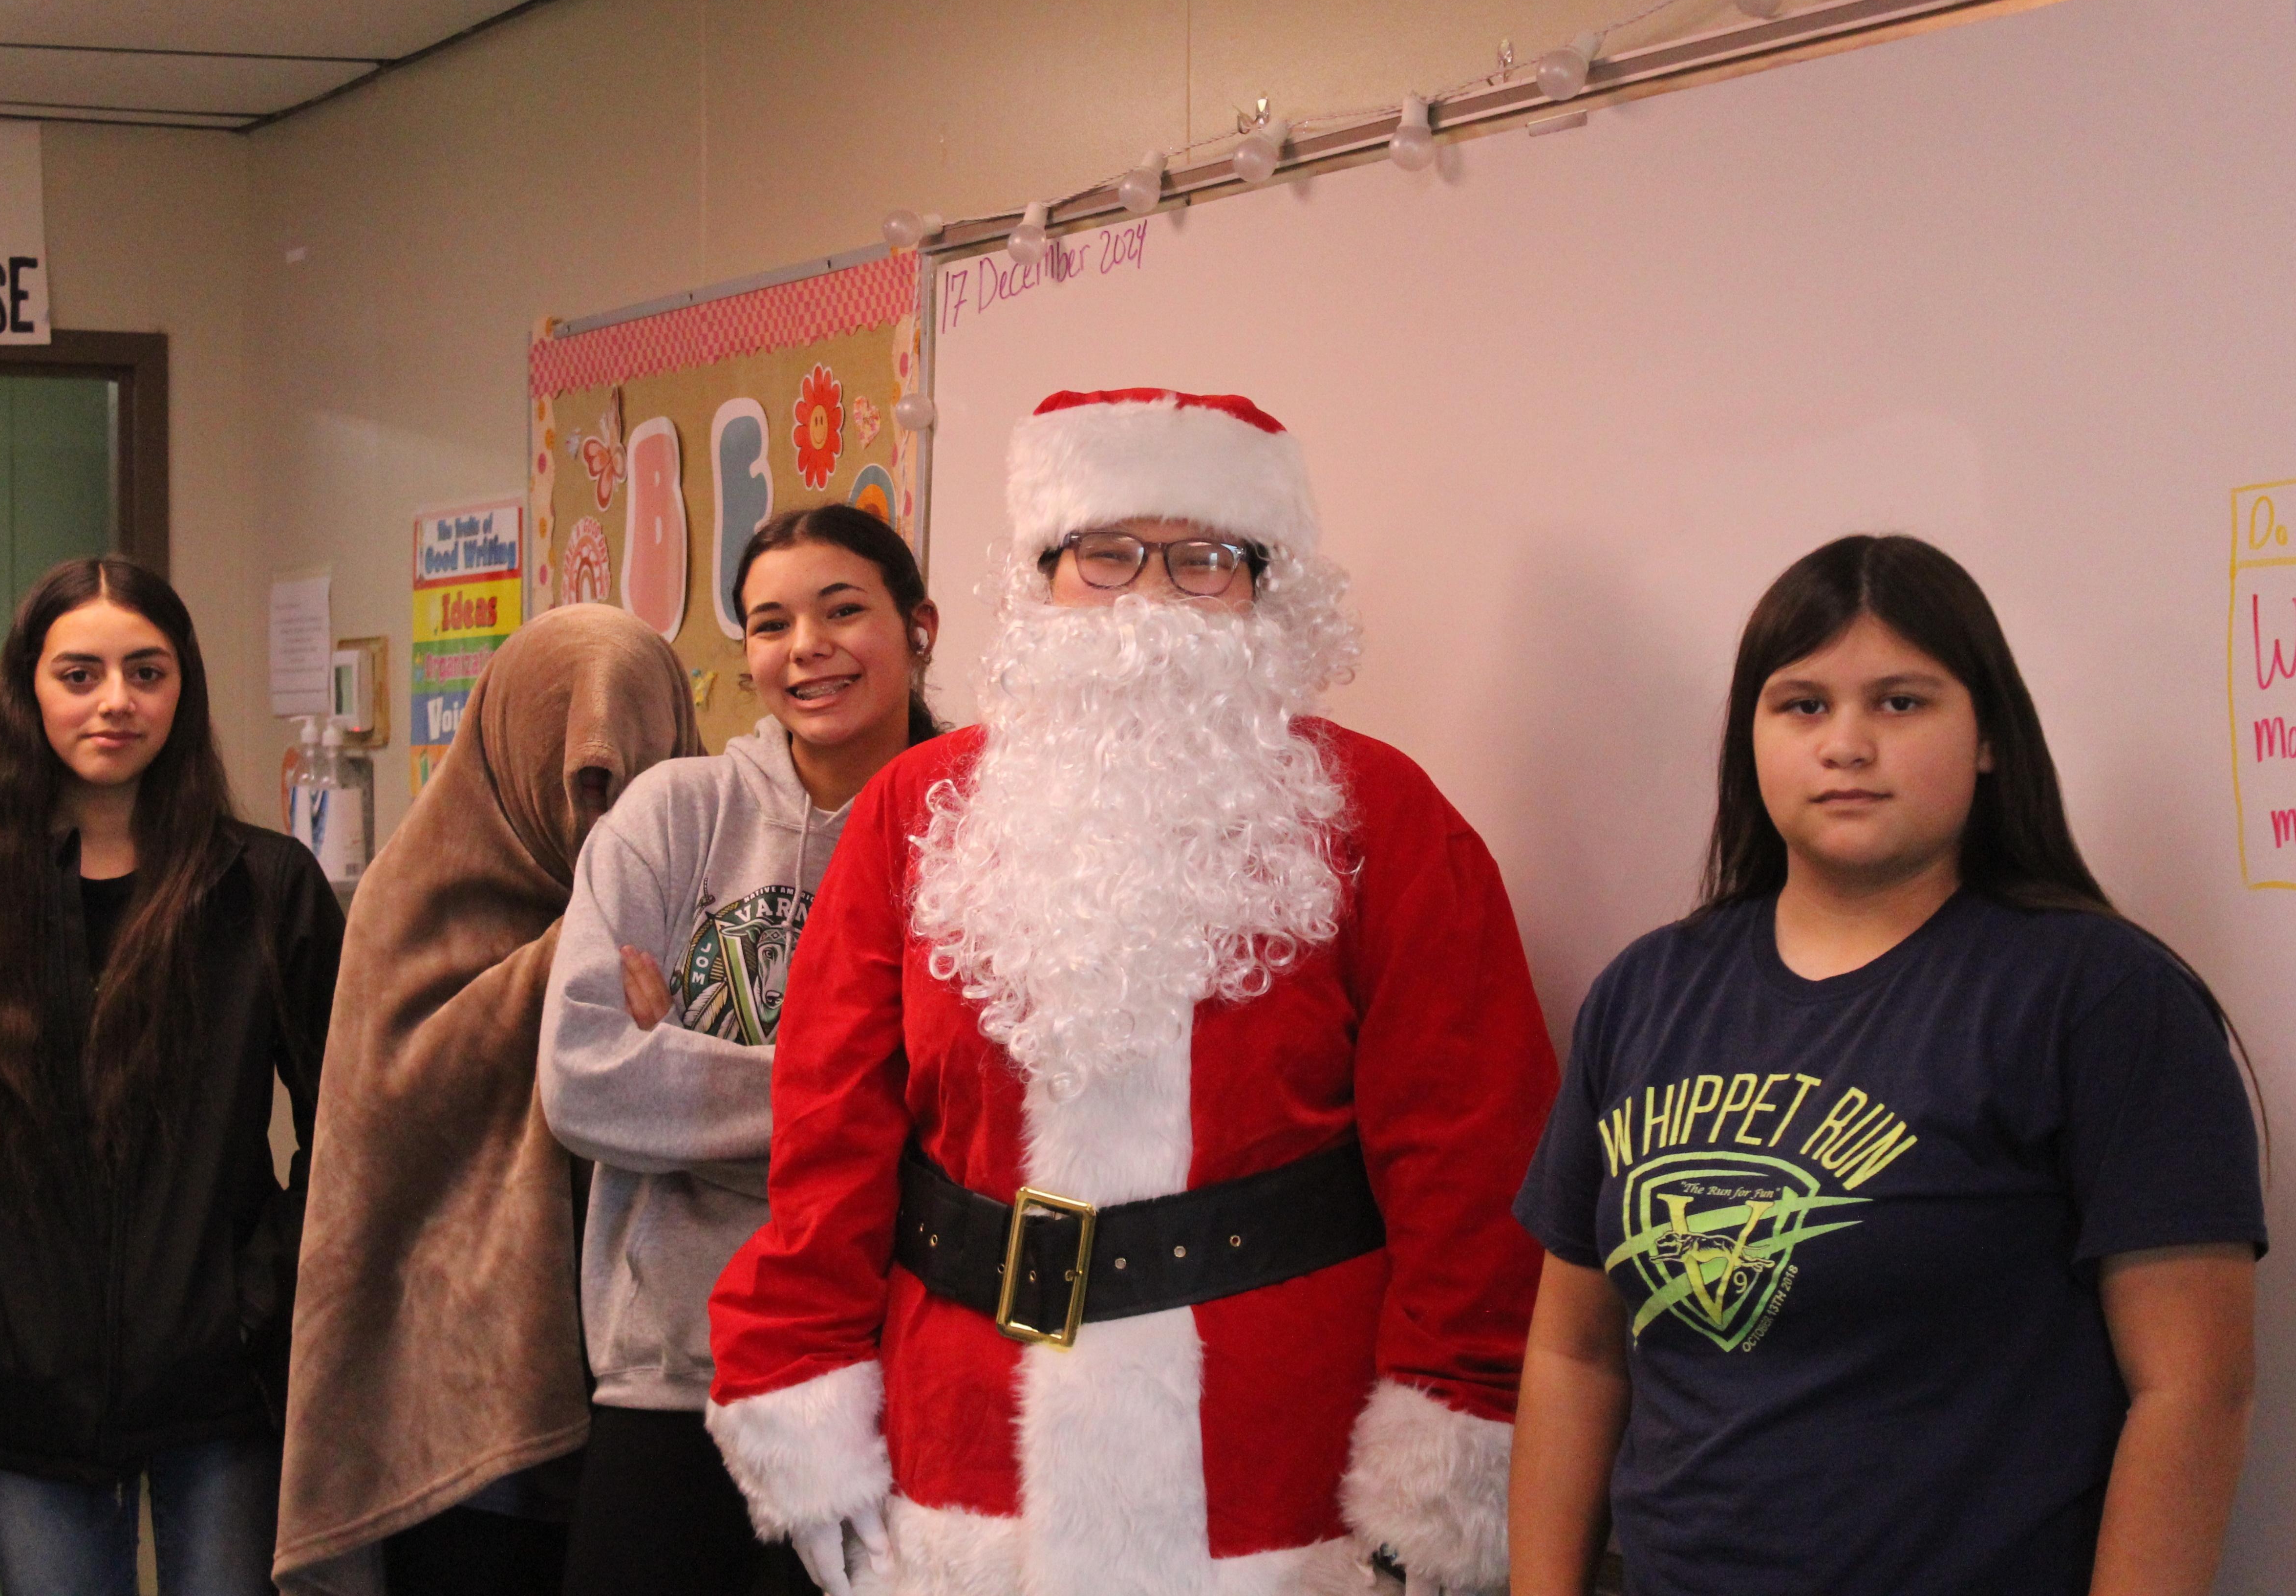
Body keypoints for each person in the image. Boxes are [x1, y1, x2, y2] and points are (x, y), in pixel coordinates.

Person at [703, 388, 1558, 1596]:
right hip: (966, 1459)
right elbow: (829, 1137)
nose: (1150, 595)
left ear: (1269, 590)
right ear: (1043, 579)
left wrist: (1445, 1463)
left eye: (1204, 559)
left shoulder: (1385, 815)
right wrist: (805, 1399)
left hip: (1279, 1482)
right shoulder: (915, 812)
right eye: (1105, 556)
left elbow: (1473, 1163)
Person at [1506, 534, 2266, 1596]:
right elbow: (1576, 1357)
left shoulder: (2099, 996)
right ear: (1752, 739)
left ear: (1990, 735)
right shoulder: (1647, 991)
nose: (1847, 745)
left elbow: (2194, 1391)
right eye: (1802, 705)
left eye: (1902, 703)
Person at [0, 557, 343, 1596]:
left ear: (181, 689)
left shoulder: (268, 890)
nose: (116, 701)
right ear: (29, 691)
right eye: (80, 673)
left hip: (225, 1391)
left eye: (146, 672)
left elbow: (356, 1124)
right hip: (29, 1397)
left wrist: (261, 1288)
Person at [538, 504, 941, 1596]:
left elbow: (982, 1117)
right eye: (770, 623)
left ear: (920, 629)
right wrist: (869, 1104)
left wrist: (681, 1066)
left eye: (841, 610)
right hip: (671, 1370)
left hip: (888, 1374)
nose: (804, 645)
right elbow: (584, 1080)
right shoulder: (677, 816)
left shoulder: (972, 827)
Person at [273, 603, 703, 1596]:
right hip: (462, 1427)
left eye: (640, 785)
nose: (610, 823)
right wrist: (583, 966)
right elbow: (382, 1131)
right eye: (588, 783)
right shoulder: (408, 899)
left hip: (669, 1406)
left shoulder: (722, 895)